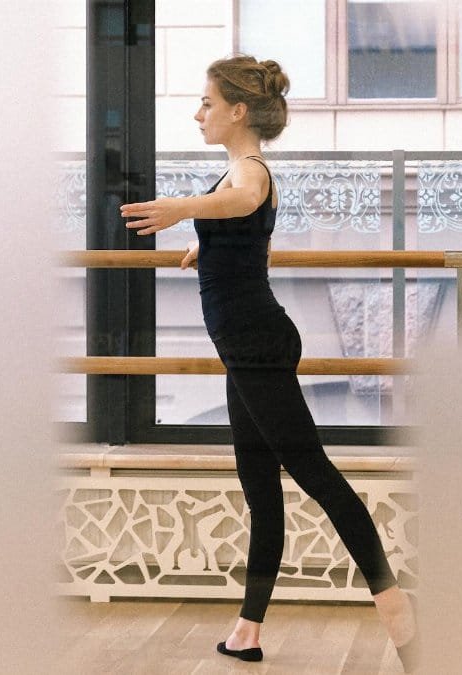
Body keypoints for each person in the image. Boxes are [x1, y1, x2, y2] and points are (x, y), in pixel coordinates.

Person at [120, 54, 418, 672]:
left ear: (237, 110)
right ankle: (248, 630)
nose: (198, 113)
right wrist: (206, 249)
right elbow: (244, 225)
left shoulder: (249, 169)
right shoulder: (231, 174)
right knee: (261, 486)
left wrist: (182, 210)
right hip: (246, 345)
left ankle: (394, 604)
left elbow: (246, 199)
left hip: (255, 344)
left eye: (207, 103)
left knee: (313, 471)